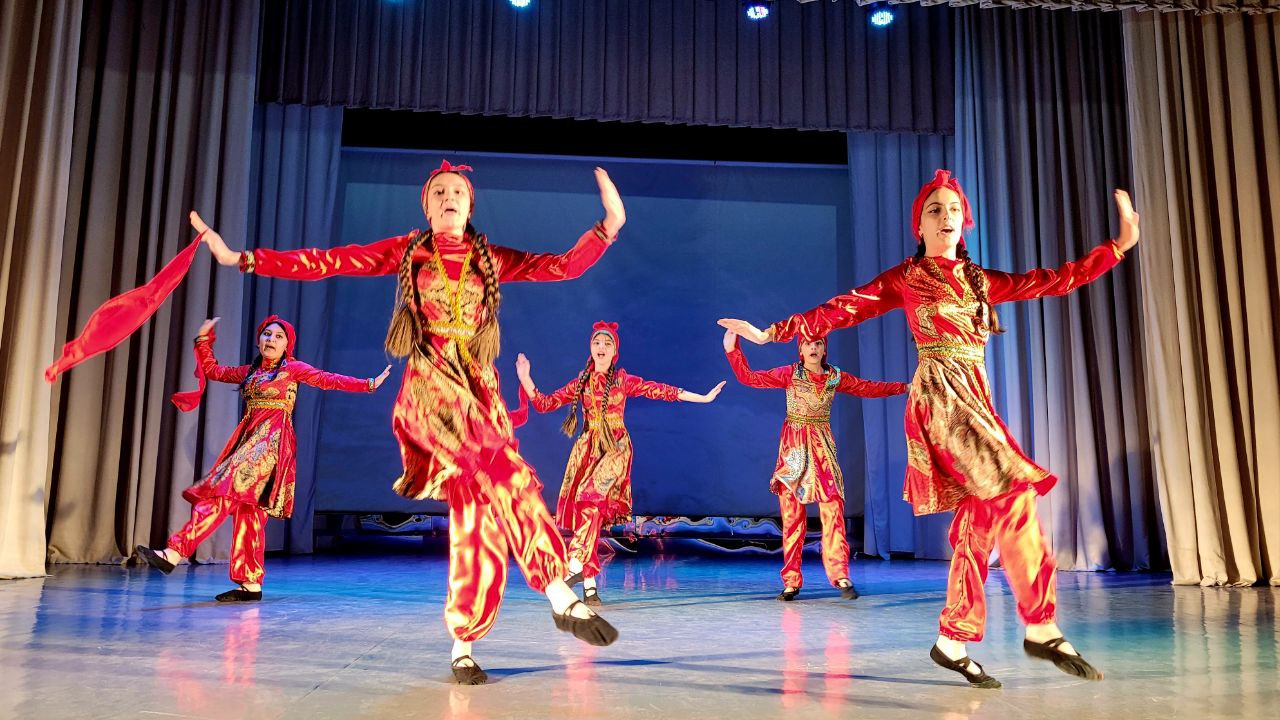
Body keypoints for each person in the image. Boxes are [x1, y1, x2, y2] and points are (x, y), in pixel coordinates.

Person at [195, 160, 626, 685]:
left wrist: (608, 227)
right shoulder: (409, 251)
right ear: (426, 207)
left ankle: (463, 644)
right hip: (430, 394)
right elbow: (328, 261)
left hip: (480, 395)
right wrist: (240, 258)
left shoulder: (489, 258)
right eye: (438, 192)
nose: (448, 198)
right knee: (507, 475)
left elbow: (560, 266)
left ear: (470, 204)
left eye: (457, 192)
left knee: (479, 516)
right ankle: (558, 591)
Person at [720, 170, 1139, 687]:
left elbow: (1052, 279)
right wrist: (771, 333)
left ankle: (952, 639)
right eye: (934, 210)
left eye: (953, 209)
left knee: (980, 518)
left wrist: (1117, 247)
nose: (946, 217)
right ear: (918, 226)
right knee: (1012, 493)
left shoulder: (981, 281)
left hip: (977, 400)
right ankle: (1041, 624)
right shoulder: (907, 278)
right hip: (939, 397)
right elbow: (843, 308)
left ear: (966, 222)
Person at [137, 315, 391, 601]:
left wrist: (369, 384)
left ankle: (175, 551)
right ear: (259, 340)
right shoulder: (250, 371)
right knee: (249, 512)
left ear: (287, 345)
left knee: (223, 495)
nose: (271, 340)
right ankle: (250, 583)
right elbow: (214, 371)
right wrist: (203, 340)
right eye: (267, 334)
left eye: (278, 336)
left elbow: (328, 379)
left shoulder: (292, 369)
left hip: (271, 442)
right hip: (249, 440)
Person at [516, 321, 725, 604]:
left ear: (615, 351)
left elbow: (658, 390)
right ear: (590, 348)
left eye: (607, 343)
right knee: (587, 513)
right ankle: (590, 585)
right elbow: (545, 403)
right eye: (597, 343)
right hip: (587, 450)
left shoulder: (623, 380)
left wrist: (702, 398)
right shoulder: (581, 382)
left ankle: (575, 564)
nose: (601, 347)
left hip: (615, 448)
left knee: (589, 498)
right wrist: (526, 378)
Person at [723, 327, 906, 601]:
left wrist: (904, 387)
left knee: (833, 509)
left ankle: (840, 575)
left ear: (824, 348)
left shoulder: (834, 377)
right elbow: (750, 378)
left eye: (818, 343)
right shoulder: (790, 374)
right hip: (794, 450)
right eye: (808, 343)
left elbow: (866, 387)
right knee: (792, 517)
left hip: (822, 449)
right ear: (800, 348)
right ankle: (791, 580)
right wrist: (732, 349)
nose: (813, 348)